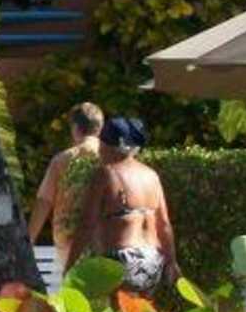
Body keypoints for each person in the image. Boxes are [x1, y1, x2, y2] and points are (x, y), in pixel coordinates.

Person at [74, 116, 177, 293]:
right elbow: (164, 224)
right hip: (153, 259)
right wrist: (172, 261)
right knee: (142, 310)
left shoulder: (105, 174)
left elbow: (86, 224)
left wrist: (70, 266)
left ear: (107, 146)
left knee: (115, 310)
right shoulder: (151, 175)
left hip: (121, 259)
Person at [27, 101, 105, 269]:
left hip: (69, 242)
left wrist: (29, 240)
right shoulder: (111, 158)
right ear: (99, 128)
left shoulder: (62, 160)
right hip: (104, 239)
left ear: (75, 128)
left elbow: (44, 201)